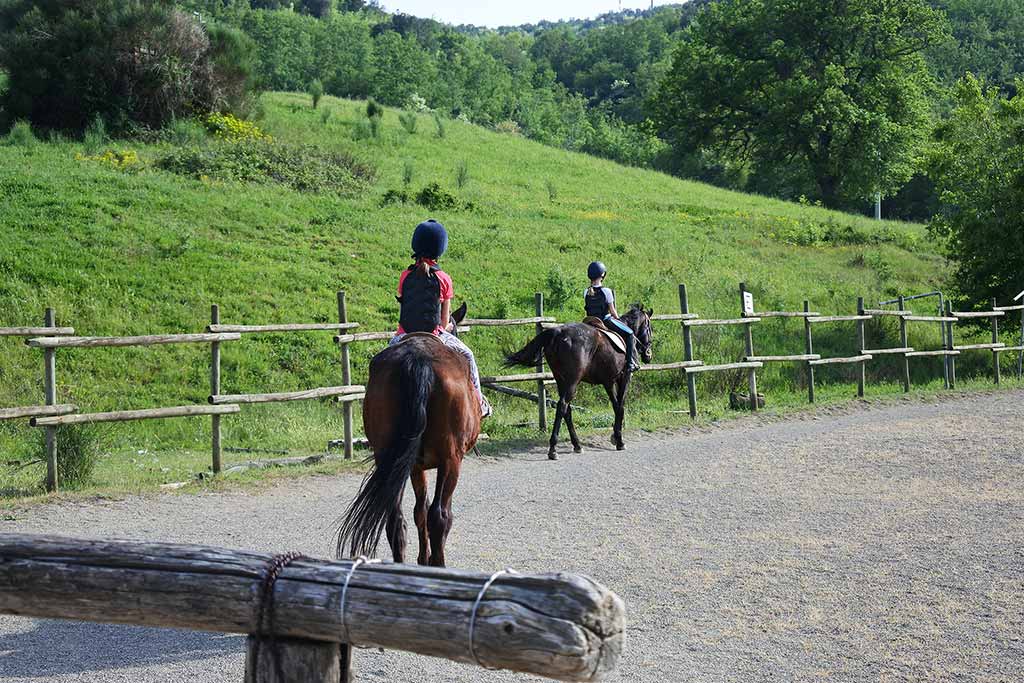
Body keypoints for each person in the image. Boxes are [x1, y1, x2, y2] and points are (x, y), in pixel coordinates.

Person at [390, 219, 491, 417]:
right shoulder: (444, 279)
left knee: (381, 362)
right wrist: (448, 328)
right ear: (439, 249)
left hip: (403, 336)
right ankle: (479, 402)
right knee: (468, 356)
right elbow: (443, 323)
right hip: (434, 335)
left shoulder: (405, 276)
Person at [584, 261, 639, 372]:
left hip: (590, 322)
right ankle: (630, 363)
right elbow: (613, 312)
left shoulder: (586, 291)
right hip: (605, 320)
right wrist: (618, 320)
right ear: (602, 275)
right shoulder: (606, 291)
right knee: (630, 334)